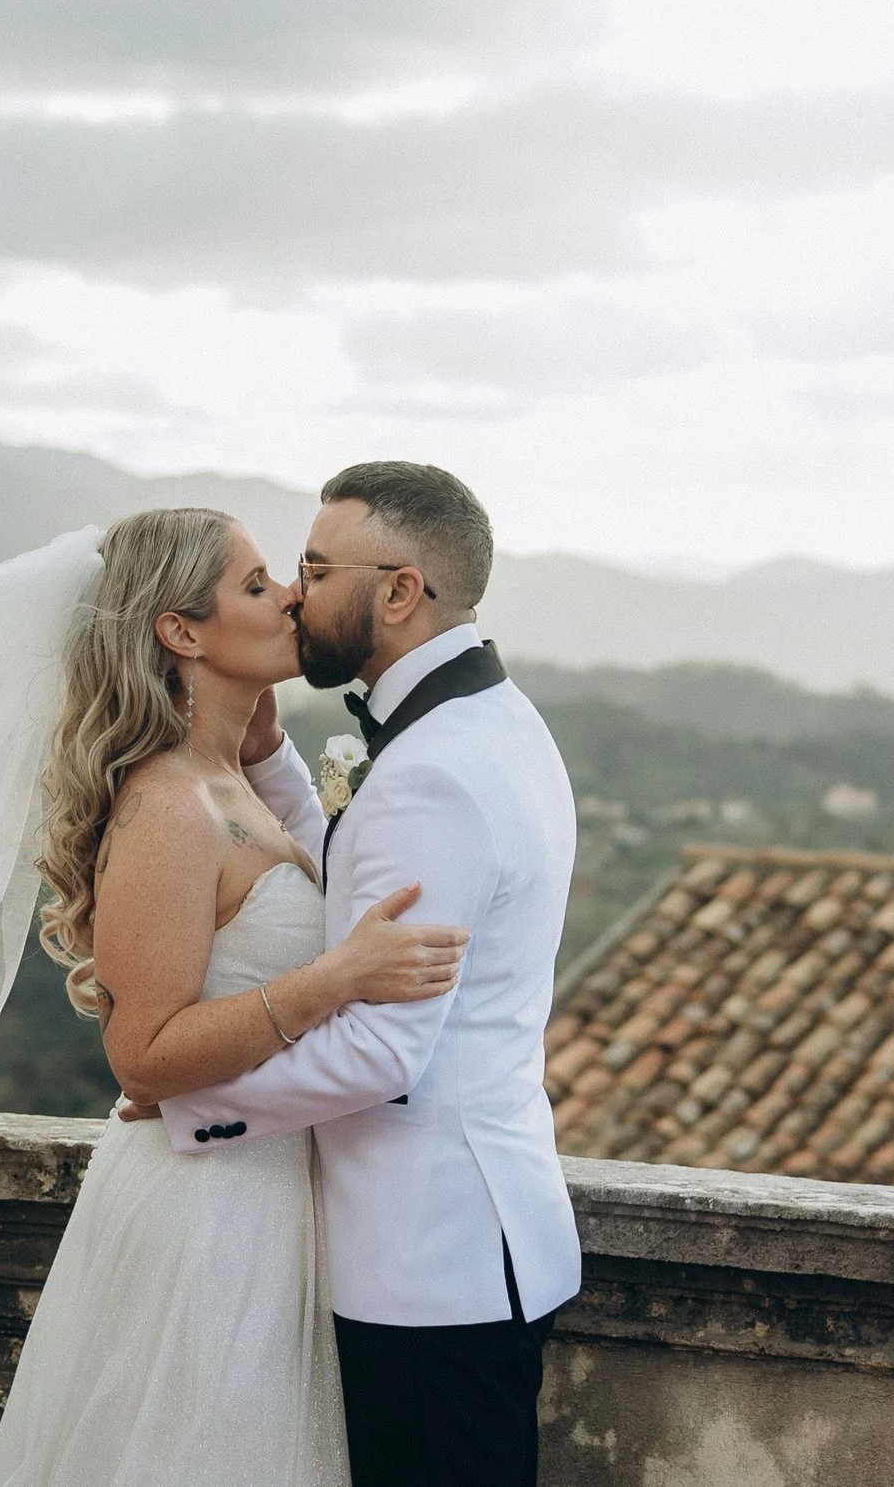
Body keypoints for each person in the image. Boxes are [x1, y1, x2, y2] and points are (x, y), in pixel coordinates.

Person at [0, 506, 470, 1487]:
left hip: (265, 1197)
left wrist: (258, 729)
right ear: (180, 630)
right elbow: (143, 1054)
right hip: (199, 1215)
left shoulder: (229, 775)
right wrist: (336, 976)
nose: (290, 592)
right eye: (256, 584)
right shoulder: (168, 801)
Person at [148, 463, 581, 1487]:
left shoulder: (427, 768)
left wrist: (193, 1100)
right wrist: (271, 765)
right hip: (483, 1233)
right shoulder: (492, 721)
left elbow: (384, 1053)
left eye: (313, 567)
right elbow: (360, 869)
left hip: (426, 1259)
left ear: (398, 591)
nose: (295, 594)